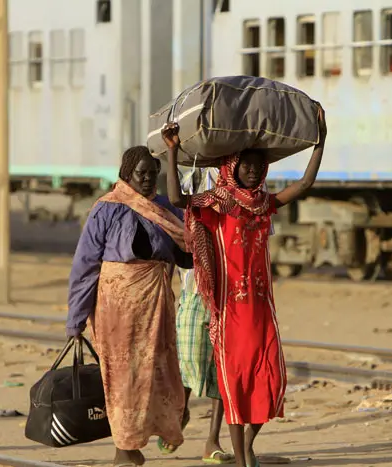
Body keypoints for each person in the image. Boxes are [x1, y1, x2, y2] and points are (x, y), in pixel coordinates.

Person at [163, 106, 328, 467]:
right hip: (230, 310)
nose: (252, 170)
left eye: (258, 165)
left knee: (270, 381)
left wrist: (321, 142)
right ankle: (241, 458)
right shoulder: (217, 203)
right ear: (232, 166)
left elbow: (304, 185)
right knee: (234, 384)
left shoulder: (263, 204)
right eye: (246, 164)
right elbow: (178, 200)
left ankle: (245, 449)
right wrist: (173, 150)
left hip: (261, 309)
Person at [66, 146, 192, 467]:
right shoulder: (106, 209)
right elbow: (85, 267)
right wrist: (75, 322)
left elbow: (185, 256)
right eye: (142, 174)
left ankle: (137, 444)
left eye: (153, 174)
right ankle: (124, 450)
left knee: (154, 374)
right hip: (116, 310)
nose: (149, 179)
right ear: (126, 174)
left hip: (155, 306)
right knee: (123, 376)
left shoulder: (164, 210)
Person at [173, 167, 235, 465]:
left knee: (222, 368)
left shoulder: (244, 187)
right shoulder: (194, 176)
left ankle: (212, 439)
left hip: (232, 292)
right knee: (189, 356)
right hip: (196, 287)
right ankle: (180, 412)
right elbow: (178, 207)